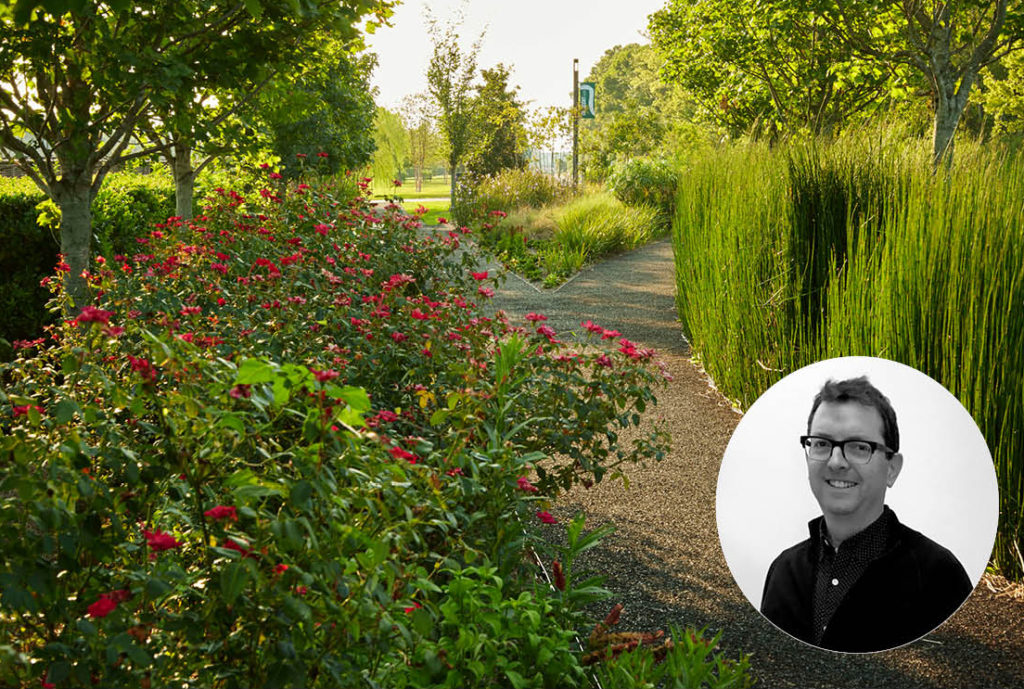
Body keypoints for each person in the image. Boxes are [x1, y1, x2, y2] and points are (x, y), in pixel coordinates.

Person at [760, 376, 973, 652]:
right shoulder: (784, 570)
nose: (836, 462)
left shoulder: (939, 576)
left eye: (859, 447)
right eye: (822, 444)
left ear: (892, 468)